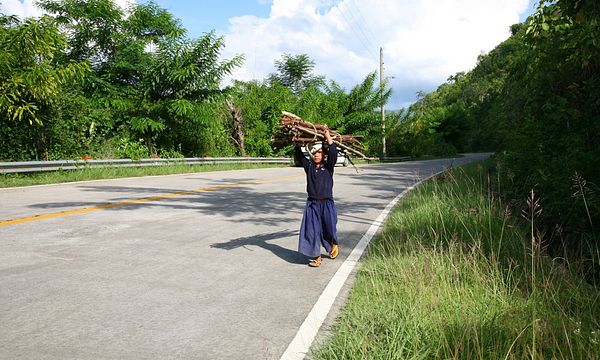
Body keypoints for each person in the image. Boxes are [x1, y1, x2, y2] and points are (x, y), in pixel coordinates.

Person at [294, 128, 339, 267]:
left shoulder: (328, 166)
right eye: (314, 153)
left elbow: (333, 153)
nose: (316, 155)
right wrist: (296, 143)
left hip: (327, 203)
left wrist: (328, 137)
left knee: (329, 228)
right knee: (312, 230)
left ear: (323, 154)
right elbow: (300, 157)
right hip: (312, 204)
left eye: (319, 152)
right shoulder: (309, 167)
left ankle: (332, 245)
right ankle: (317, 257)